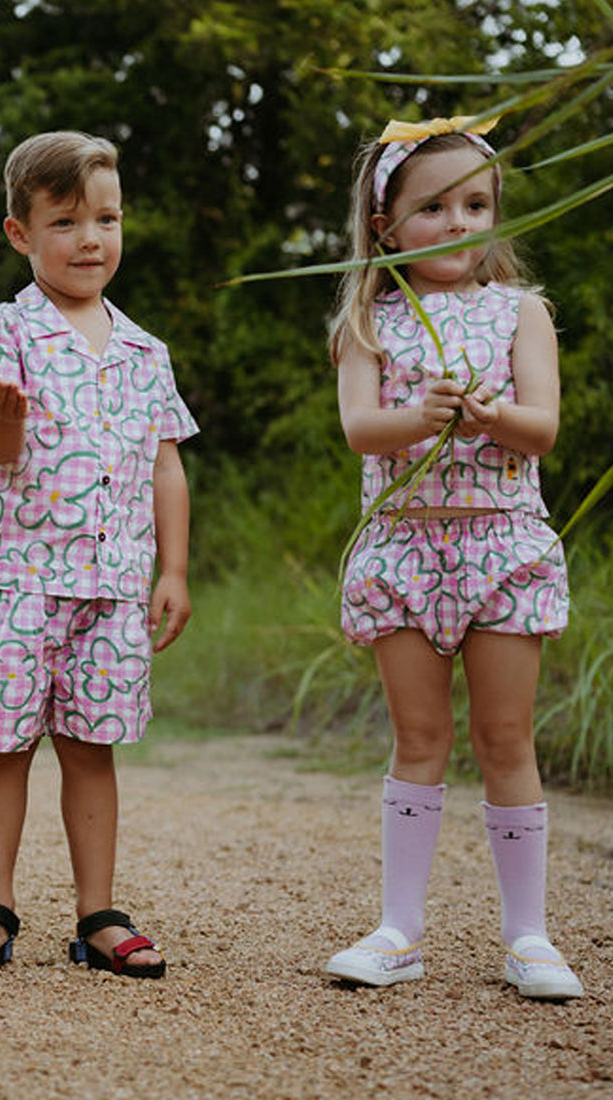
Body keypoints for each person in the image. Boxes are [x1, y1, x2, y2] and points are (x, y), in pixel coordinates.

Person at [324, 115, 582, 999]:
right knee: (419, 737)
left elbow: (541, 428)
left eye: (477, 204)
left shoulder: (522, 312)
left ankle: (529, 936)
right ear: (386, 224)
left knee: (505, 735)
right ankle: (400, 929)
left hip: (500, 545)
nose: (460, 222)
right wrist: (423, 416)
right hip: (404, 550)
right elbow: (362, 430)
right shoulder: (368, 321)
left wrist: (490, 416)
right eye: (434, 207)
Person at [0, 131, 197, 979]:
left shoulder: (143, 351)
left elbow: (167, 463)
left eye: (107, 219)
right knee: (5, 746)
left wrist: (175, 570)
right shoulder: (5, 331)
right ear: (20, 233)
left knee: (93, 747)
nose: (91, 239)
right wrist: (3, 415)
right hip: (13, 582)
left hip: (114, 588)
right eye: (66, 222)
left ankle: (100, 915)